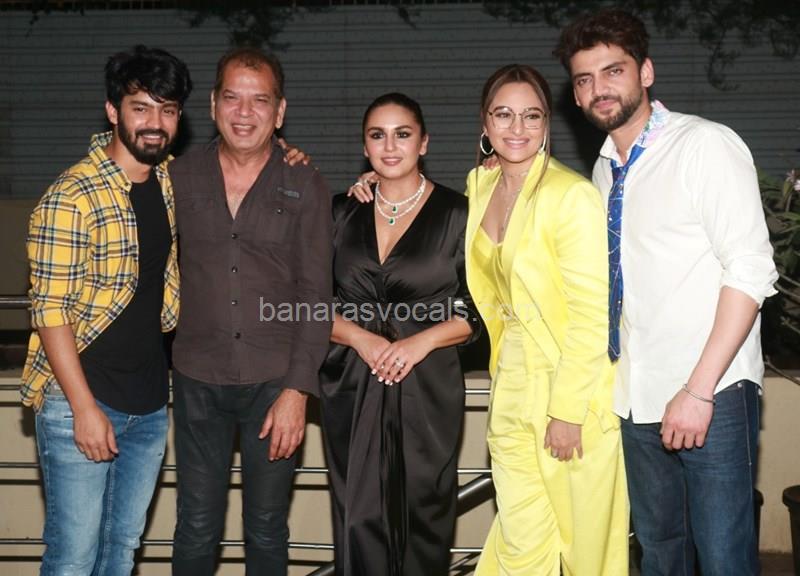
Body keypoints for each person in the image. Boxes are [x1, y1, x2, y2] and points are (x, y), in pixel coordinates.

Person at [555, 9, 778, 575]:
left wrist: (698, 391)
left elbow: (751, 270)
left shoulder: (704, 145)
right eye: (585, 79)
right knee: (659, 555)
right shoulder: (604, 172)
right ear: (576, 95)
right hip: (635, 395)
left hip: (711, 391)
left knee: (724, 560)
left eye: (613, 71)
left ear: (646, 72)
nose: (600, 89)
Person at [22, 45, 192, 575]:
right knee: (73, 559)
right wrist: (84, 409)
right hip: (82, 401)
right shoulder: (70, 197)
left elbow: (239, 167)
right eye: (141, 108)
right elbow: (50, 312)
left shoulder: (169, 182)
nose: (155, 123)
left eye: (167, 110)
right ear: (113, 111)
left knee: (120, 552)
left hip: (149, 403)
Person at [167, 47, 332, 575]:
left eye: (259, 100)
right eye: (232, 98)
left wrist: (297, 391)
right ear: (213, 105)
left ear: (278, 112)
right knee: (195, 525)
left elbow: (316, 294)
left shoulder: (305, 181)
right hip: (196, 378)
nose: (244, 112)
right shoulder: (177, 177)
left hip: (274, 383)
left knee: (266, 527)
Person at [464, 64, 629, 575]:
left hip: (569, 390)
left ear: (546, 124)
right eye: (503, 115)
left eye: (531, 116)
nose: (517, 128)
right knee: (522, 542)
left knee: (586, 554)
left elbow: (592, 315)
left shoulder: (570, 195)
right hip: (509, 386)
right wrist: (373, 186)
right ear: (485, 124)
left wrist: (567, 411)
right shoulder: (479, 185)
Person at [320, 93, 479, 576]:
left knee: (423, 519)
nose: (390, 147)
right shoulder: (339, 212)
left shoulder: (459, 214)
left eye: (402, 134)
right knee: (357, 519)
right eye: (377, 135)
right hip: (351, 384)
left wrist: (420, 341)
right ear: (364, 147)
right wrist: (361, 339)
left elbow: (481, 310)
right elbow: (306, 304)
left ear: (423, 142)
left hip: (427, 386)